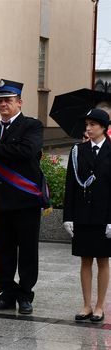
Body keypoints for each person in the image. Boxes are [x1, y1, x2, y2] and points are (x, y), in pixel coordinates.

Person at [0, 79, 46, 315]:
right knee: (4, 249)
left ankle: (25, 294)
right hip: (0, 203)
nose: (3, 105)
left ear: (19, 102)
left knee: (28, 250)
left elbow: (26, 151)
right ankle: (7, 292)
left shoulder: (32, 126)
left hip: (25, 201)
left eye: (8, 100)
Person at [63, 108, 111, 323]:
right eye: (87, 124)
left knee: (102, 260)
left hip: (104, 215)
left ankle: (100, 306)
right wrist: (68, 216)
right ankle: (86, 305)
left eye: (93, 124)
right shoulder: (77, 151)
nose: (88, 128)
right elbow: (70, 186)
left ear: (103, 127)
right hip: (82, 214)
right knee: (85, 260)